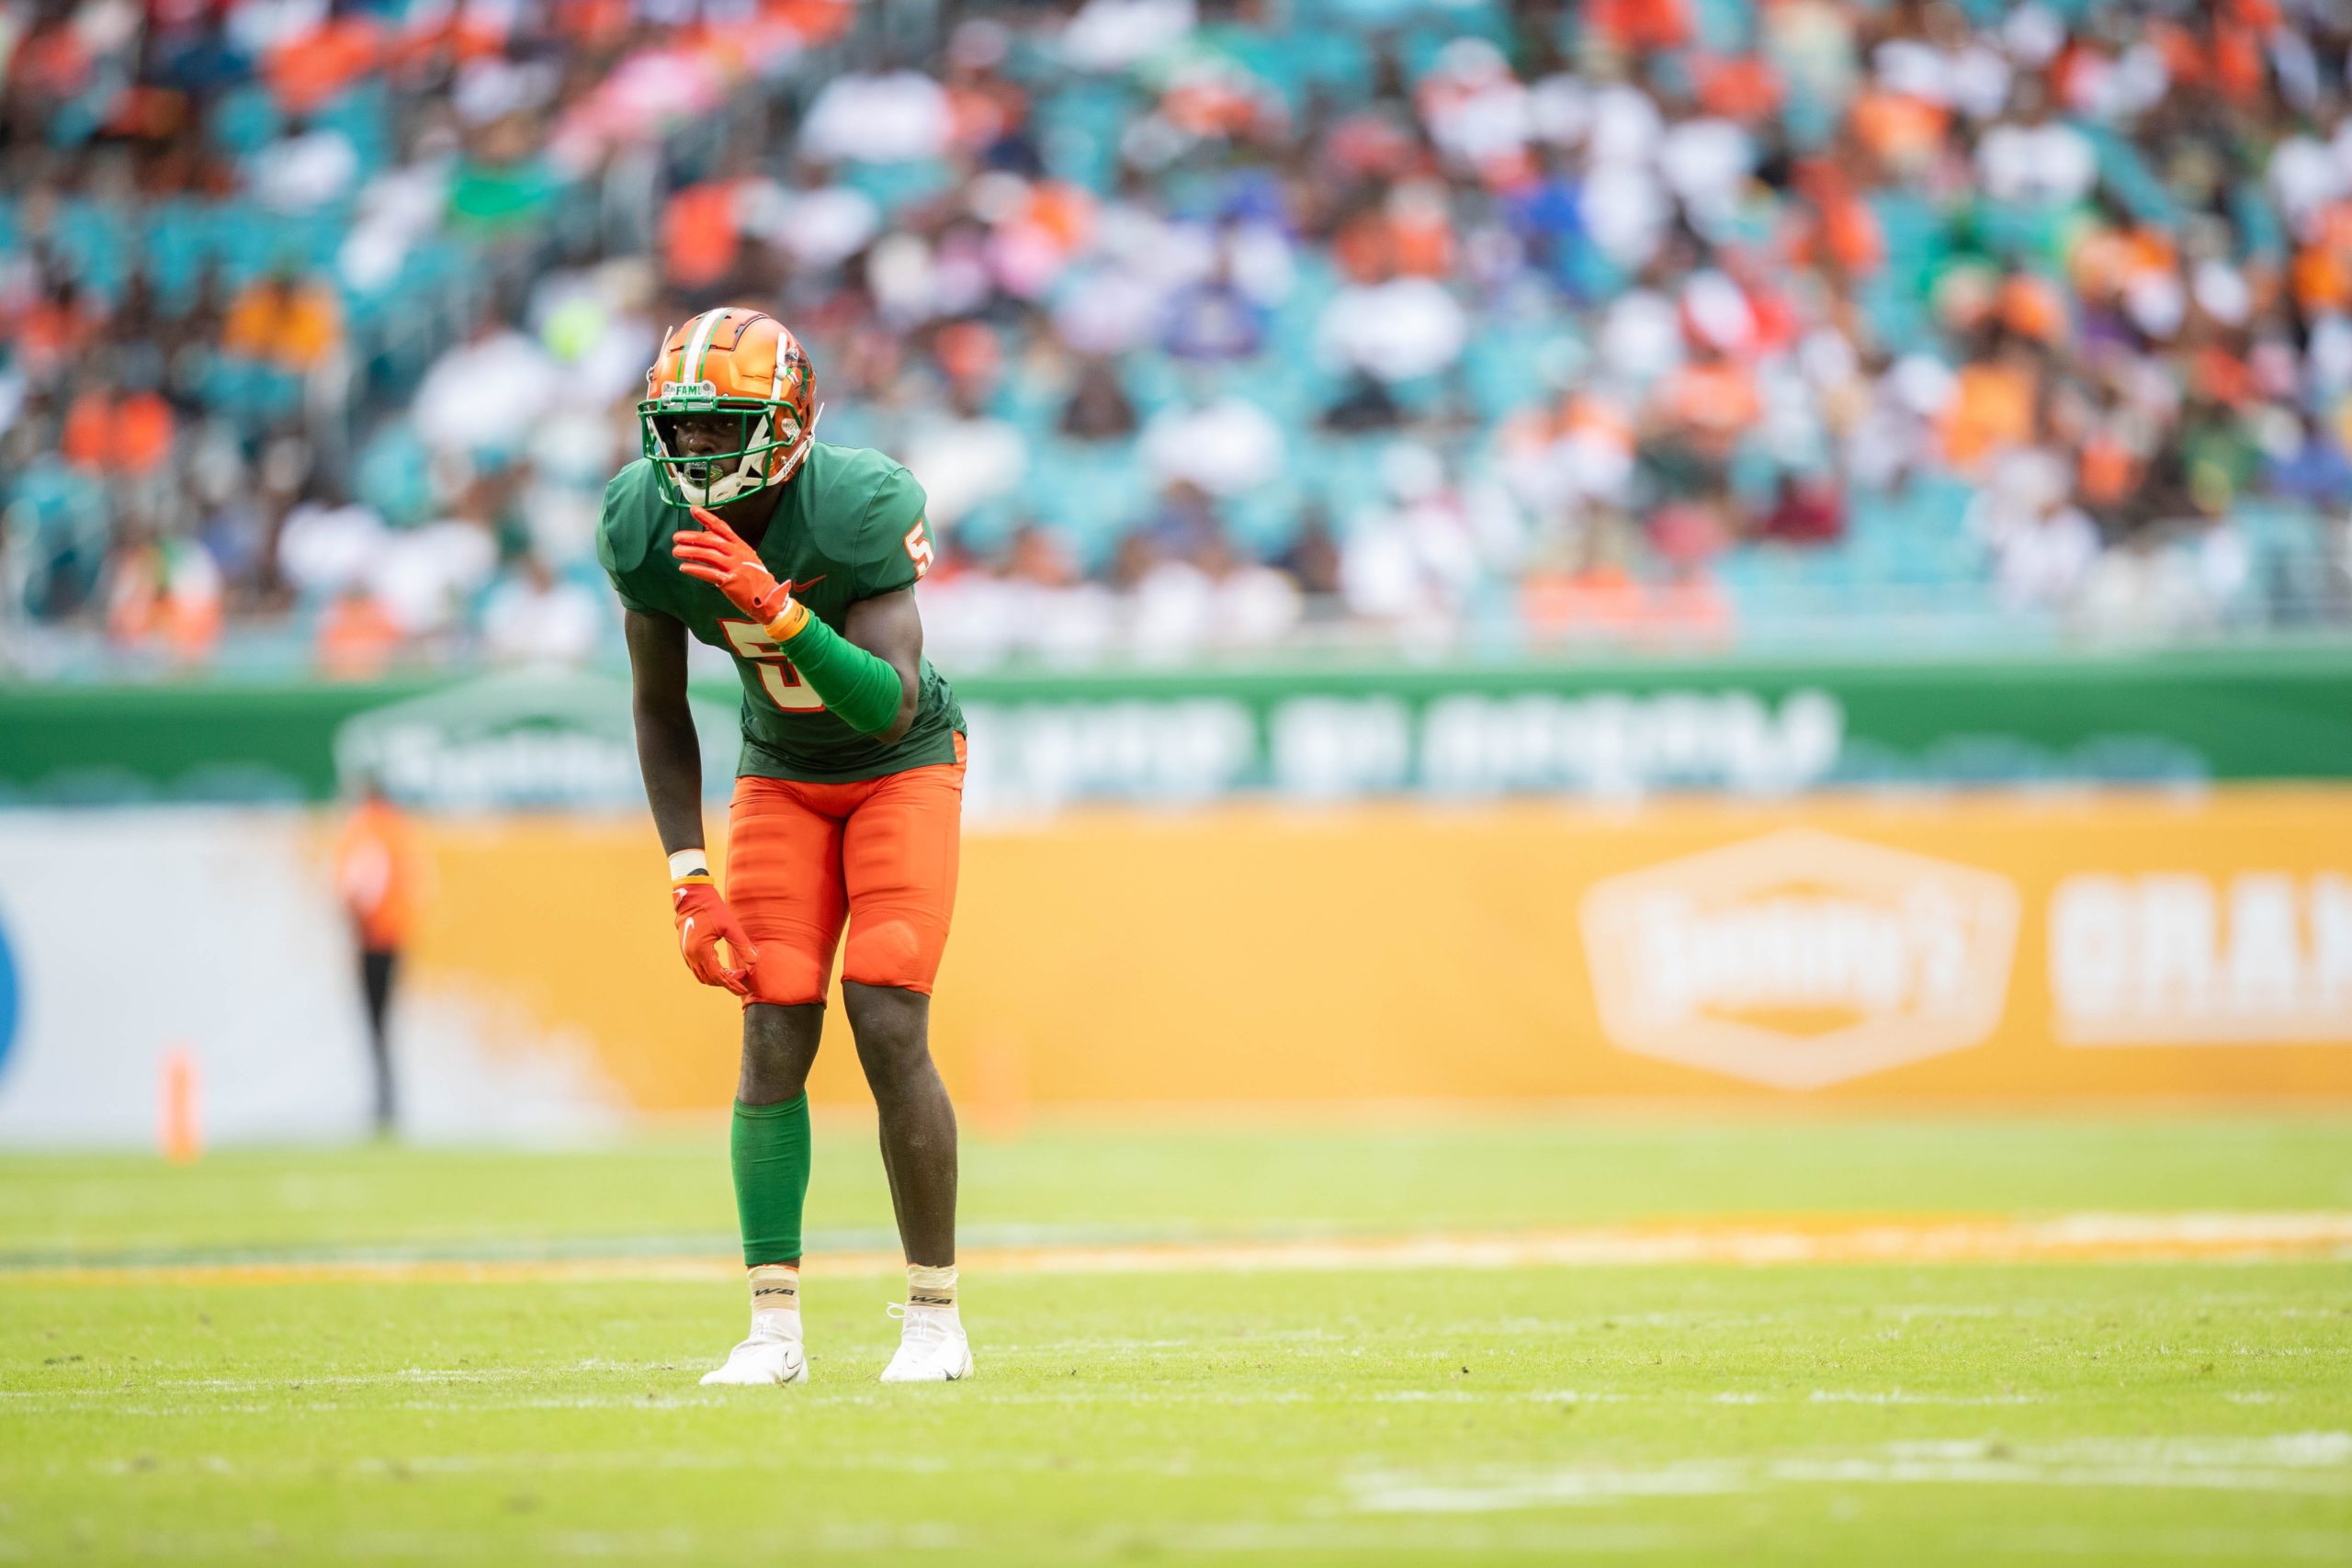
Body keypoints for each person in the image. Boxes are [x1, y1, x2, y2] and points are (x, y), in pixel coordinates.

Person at [598, 306, 972, 1386]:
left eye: (722, 426)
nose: (697, 448)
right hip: (780, 770)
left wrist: (777, 607)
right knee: (772, 1021)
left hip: (899, 764)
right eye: (682, 426)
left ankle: (934, 1319)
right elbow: (658, 706)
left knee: (886, 1011)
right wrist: (687, 874)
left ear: (790, 424)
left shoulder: (856, 503)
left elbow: (888, 705)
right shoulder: (642, 519)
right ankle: (773, 1330)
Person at [332, 779, 418, 1136]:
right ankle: (387, 1102)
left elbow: (360, 883)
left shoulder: (365, 830)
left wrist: (354, 917)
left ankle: (384, 1105)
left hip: (372, 938)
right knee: (385, 1025)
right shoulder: (399, 829)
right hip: (395, 936)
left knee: (375, 1024)